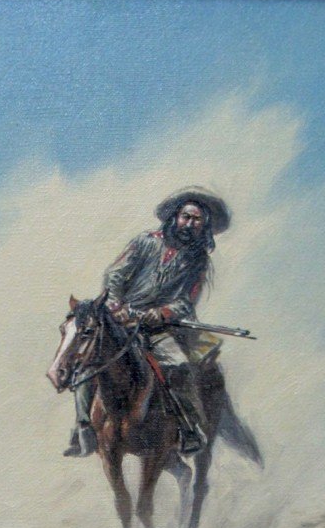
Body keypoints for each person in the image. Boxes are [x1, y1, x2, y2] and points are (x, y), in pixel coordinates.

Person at [65, 188, 231, 458]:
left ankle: (188, 429)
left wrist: (161, 314)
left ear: (204, 226)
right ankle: (83, 428)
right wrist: (115, 305)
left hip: (160, 329)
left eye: (196, 220)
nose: (189, 224)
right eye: (186, 217)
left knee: (178, 365)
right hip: (119, 320)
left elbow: (186, 302)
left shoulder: (199, 260)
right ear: (175, 217)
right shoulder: (144, 242)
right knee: (89, 357)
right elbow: (115, 276)